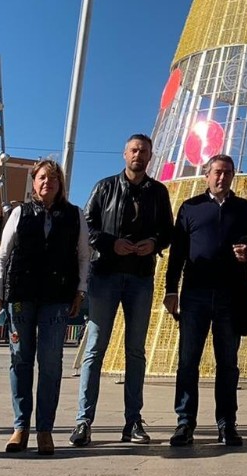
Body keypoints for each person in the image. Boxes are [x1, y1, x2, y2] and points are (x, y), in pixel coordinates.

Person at [70, 134, 174, 447]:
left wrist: (154, 244)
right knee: (95, 348)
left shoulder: (158, 192)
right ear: (124, 153)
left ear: (151, 156)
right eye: (133, 150)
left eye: (143, 151)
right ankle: (84, 421)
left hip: (141, 278)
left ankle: (133, 420)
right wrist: (110, 243)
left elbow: (168, 230)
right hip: (105, 275)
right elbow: (87, 226)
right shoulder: (105, 187)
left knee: (136, 352)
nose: (138, 155)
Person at [0, 159, 91, 456]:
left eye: (54, 178)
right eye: (42, 178)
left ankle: (44, 429)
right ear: (34, 182)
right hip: (21, 296)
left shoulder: (74, 216)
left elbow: (84, 256)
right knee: (20, 359)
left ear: (60, 185)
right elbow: (2, 257)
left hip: (57, 298)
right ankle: (20, 426)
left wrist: (80, 291)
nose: (48, 182)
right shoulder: (20, 212)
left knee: (50, 363)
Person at [163, 154, 247, 448]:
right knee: (188, 361)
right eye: (217, 172)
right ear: (206, 175)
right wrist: (170, 289)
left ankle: (227, 423)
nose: (222, 178)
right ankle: (185, 422)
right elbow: (177, 253)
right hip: (195, 294)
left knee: (228, 362)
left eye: (228, 173)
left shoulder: (244, 209)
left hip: (231, 294)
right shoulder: (191, 208)